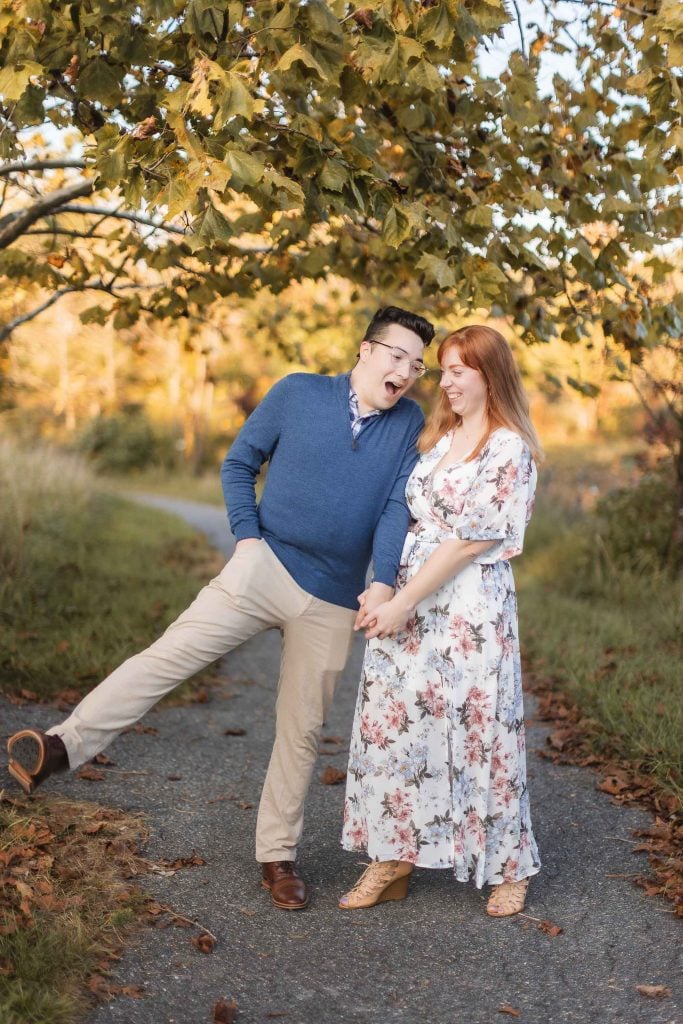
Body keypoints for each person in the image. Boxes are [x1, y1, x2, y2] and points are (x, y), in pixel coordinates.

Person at [7, 305, 435, 911]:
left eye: (417, 366)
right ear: (366, 350)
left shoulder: (409, 421)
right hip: (264, 565)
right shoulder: (297, 393)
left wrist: (383, 580)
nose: (407, 372)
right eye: (397, 356)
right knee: (168, 657)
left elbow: (397, 506)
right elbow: (240, 463)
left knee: (302, 730)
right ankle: (60, 746)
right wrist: (246, 537)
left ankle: (277, 856)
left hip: (334, 597)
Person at [339, 324, 542, 918]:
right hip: (408, 599)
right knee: (395, 724)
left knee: (481, 727)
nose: (446, 381)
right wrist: (382, 590)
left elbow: (468, 541)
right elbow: (403, 515)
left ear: (489, 375)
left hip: (466, 608)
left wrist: (403, 603)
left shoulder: (508, 447)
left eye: (459, 370)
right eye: (444, 370)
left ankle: (509, 863)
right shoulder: (439, 436)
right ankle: (392, 854)